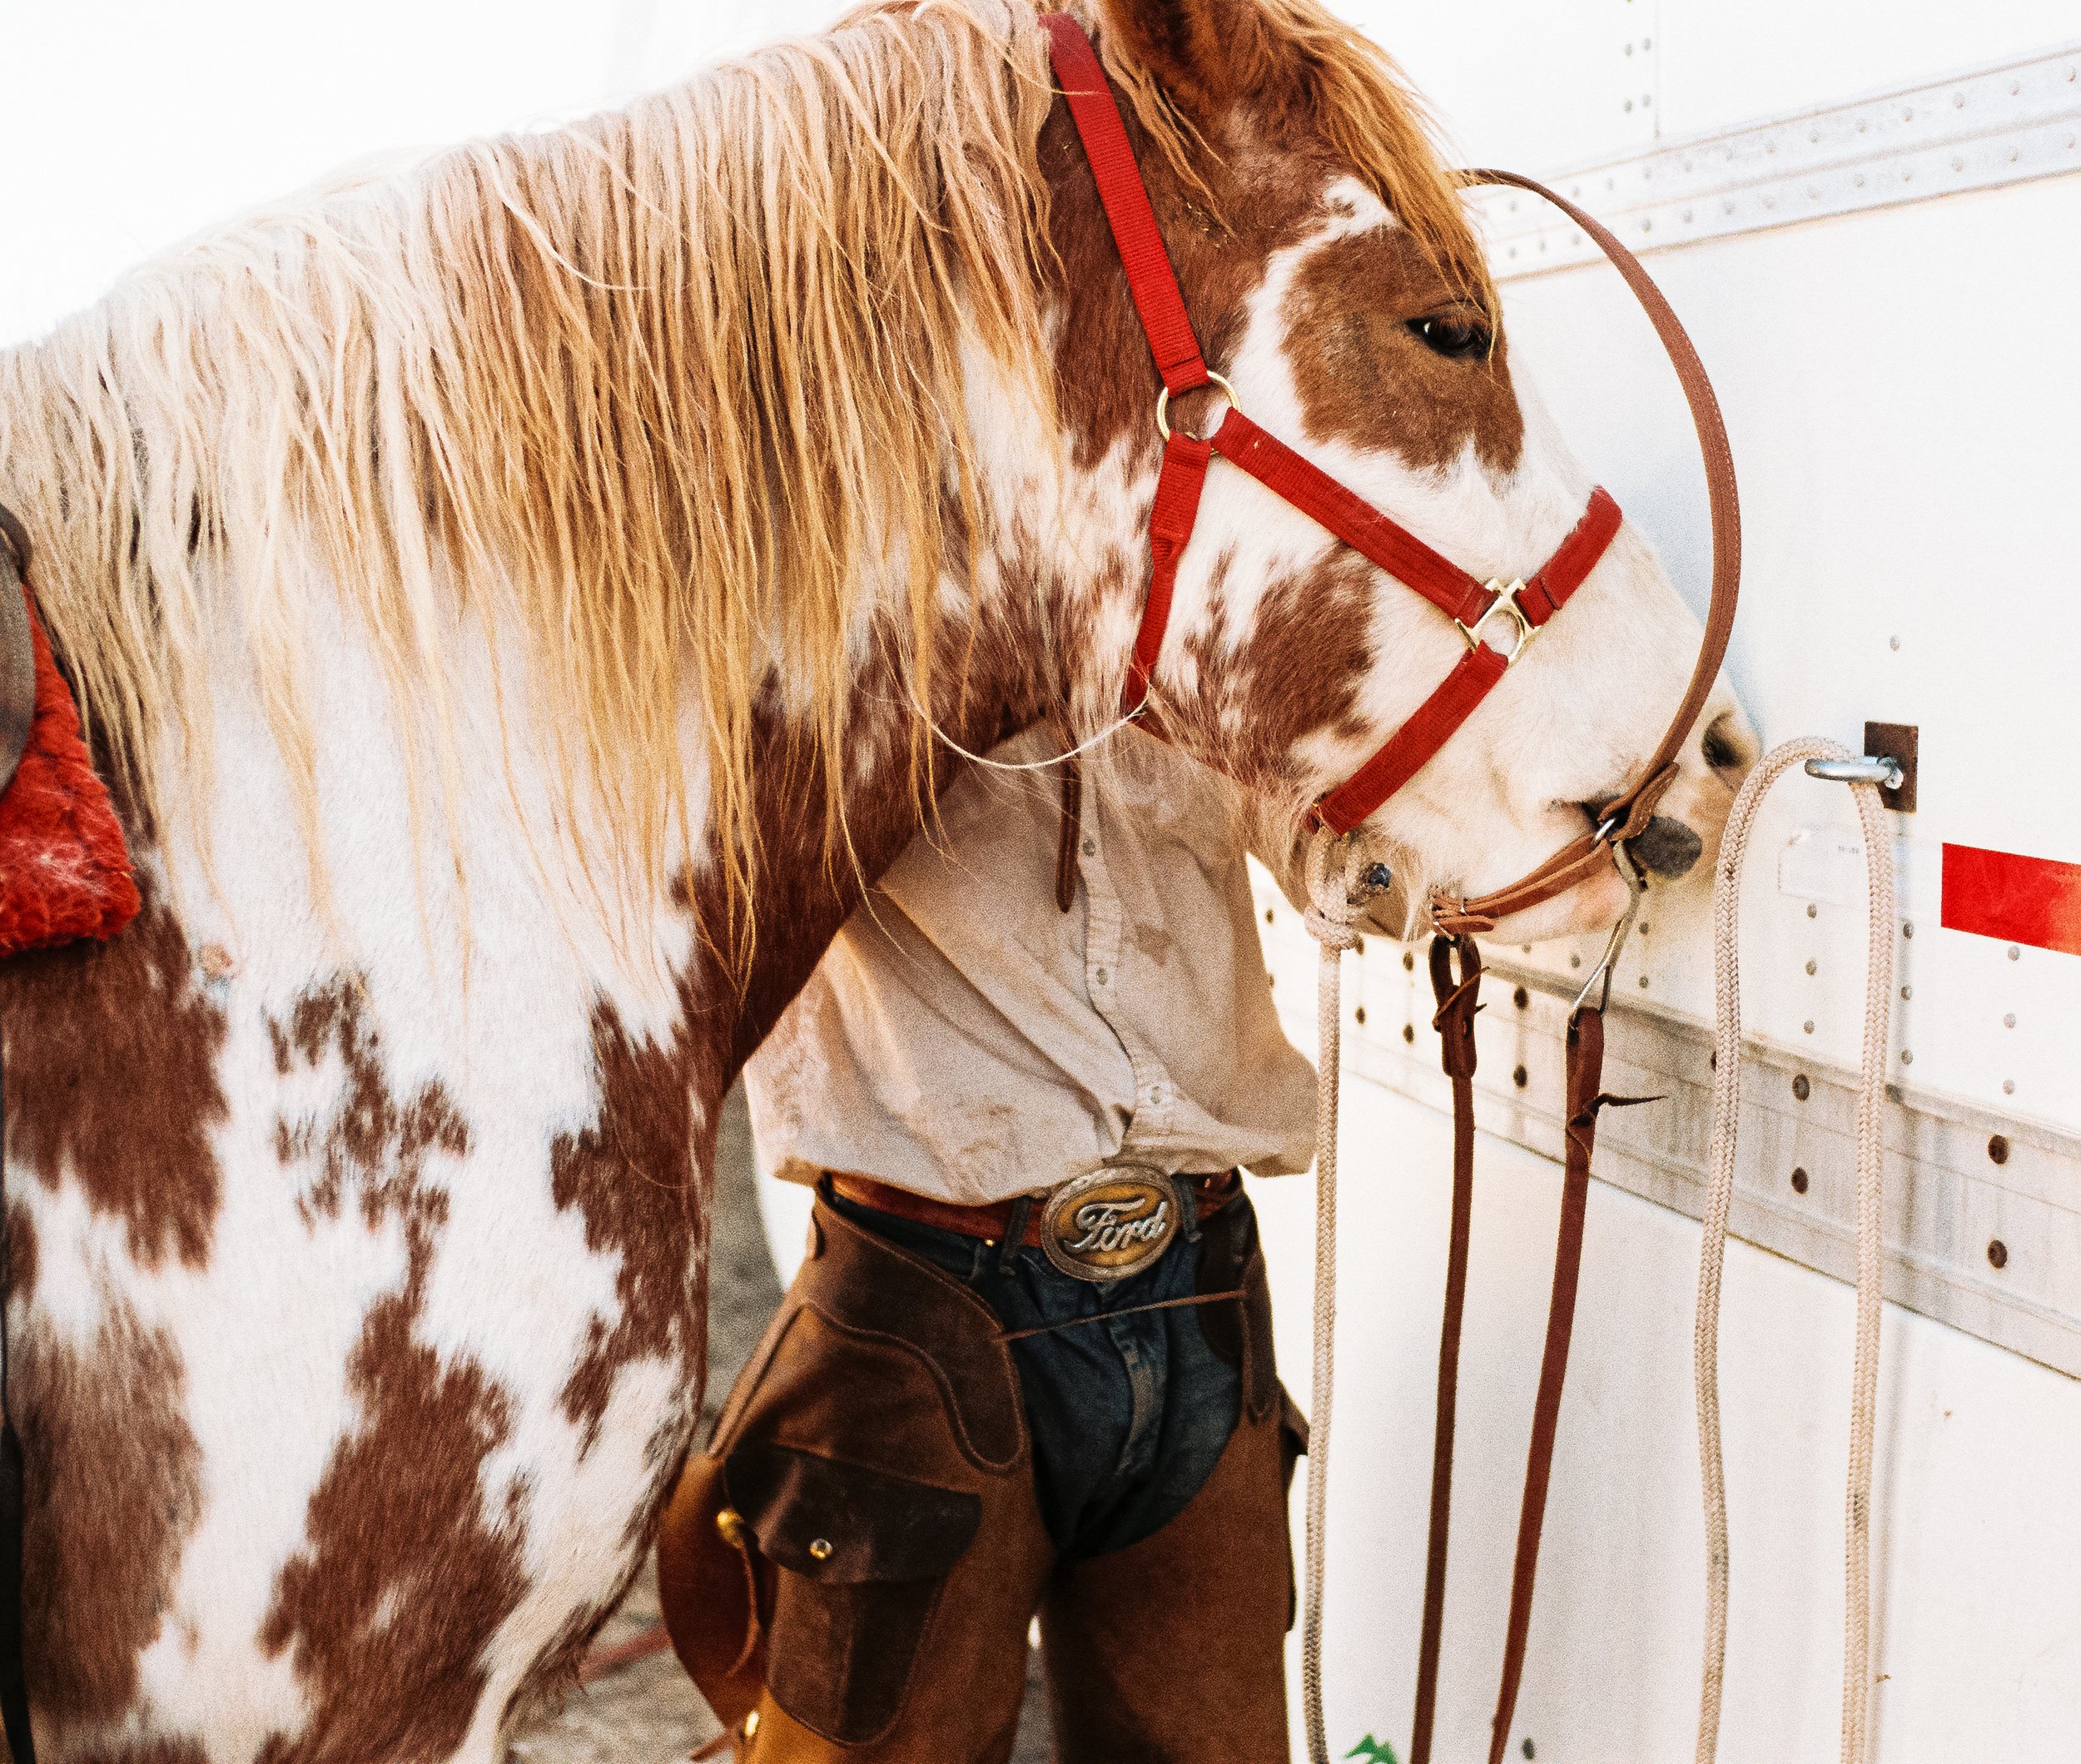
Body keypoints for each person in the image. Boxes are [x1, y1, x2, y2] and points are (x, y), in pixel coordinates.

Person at [657, 723, 1339, 1762]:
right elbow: (723, 881)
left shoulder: (1196, 600)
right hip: (922, 1306)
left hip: (1200, 1281)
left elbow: (1361, 868)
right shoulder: (835, 608)